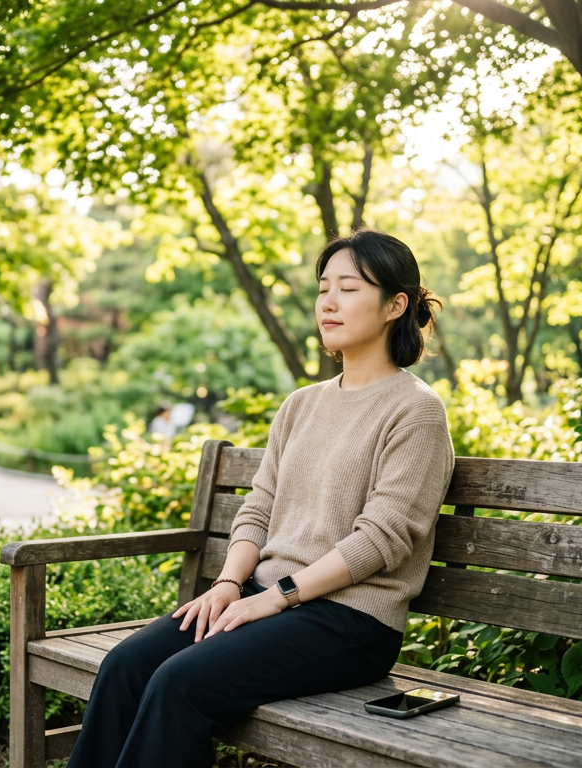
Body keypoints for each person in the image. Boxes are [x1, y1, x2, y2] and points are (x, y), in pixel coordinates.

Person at [68, 229, 453, 768]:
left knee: (181, 683)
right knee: (125, 666)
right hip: (267, 596)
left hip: (350, 621)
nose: (328, 302)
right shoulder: (301, 405)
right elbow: (259, 507)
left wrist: (279, 596)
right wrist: (229, 584)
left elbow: (381, 539)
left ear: (396, 305)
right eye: (323, 288)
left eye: (348, 288)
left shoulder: (415, 410)